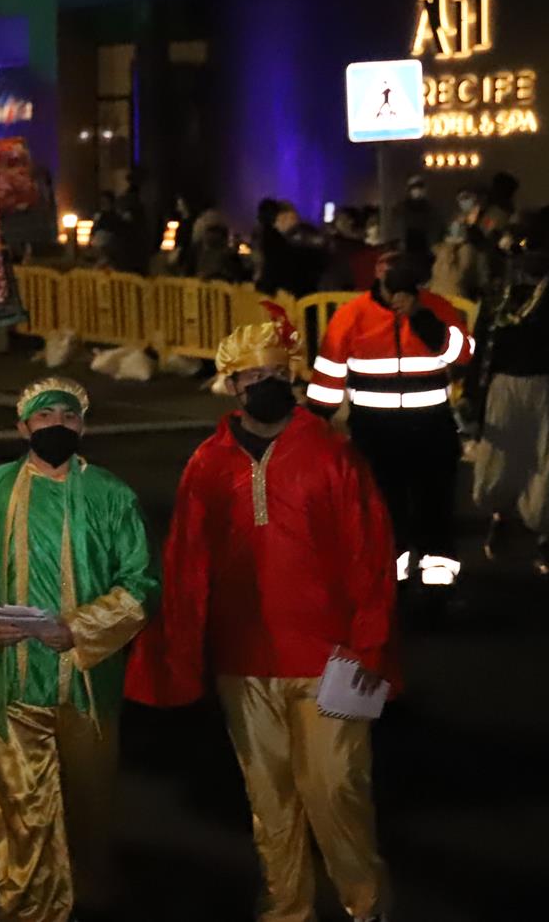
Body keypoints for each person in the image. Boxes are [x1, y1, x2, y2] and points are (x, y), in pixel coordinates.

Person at [128, 313, 397, 922]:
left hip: (334, 658)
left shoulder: (333, 457)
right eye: (254, 376)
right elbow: (186, 565)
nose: (268, 384)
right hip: (244, 663)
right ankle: (287, 910)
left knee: (337, 790)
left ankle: (367, 906)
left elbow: (371, 557)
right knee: (270, 803)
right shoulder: (207, 465)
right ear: (230, 385)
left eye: (279, 374)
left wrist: (369, 648)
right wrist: (180, 653)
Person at [0, 376, 156, 922]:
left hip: (87, 682)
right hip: (14, 681)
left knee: (90, 806)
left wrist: (81, 627)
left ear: (83, 426)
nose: (57, 425)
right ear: (22, 427)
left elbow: (141, 584)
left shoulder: (112, 495)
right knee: (22, 810)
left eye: (68, 417)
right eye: (44, 417)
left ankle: (93, 894)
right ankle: (27, 909)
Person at [307, 247, 471, 597]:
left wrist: (422, 318)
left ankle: (437, 581)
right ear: (377, 273)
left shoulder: (437, 307)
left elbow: (462, 353)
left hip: (432, 427)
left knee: (435, 506)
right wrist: (315, 422)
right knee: (382, 507)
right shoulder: (351, 316)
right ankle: (389, 579)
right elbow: (329, 372)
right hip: (375, 431)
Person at [471, 233, 549, 575]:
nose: (529, 260)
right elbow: (481, 349)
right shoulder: (496, 298)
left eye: (536, 251)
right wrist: (472, 395)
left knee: (544, 460)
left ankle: (545, 539)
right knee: (498, 456)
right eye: (523, 252)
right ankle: (500, 517)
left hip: (544, 387)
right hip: (502, 387)